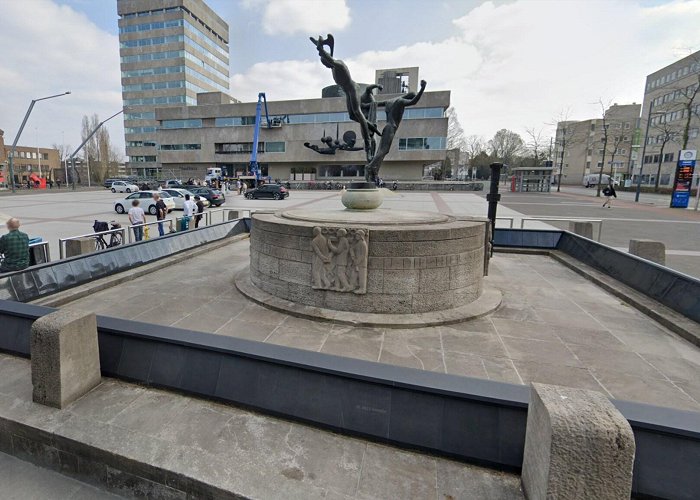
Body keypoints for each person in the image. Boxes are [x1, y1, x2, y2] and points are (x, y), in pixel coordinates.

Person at [365, 80, 427, 183]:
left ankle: (374, 171)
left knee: (382, 151)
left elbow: (376, 104)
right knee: (383, 151)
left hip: (387, 127)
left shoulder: (390, 101)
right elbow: (414, 101)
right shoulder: (401, 102)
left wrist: (364, 105)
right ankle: (370, 167)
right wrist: (422, 88)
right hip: (391, 128)